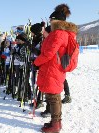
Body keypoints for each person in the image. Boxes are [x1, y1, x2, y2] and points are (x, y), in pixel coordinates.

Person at [33, 4, 78, 133]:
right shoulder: (60, 33)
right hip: (54, 68)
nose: (50, 22)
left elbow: (48, 53)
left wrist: (37, 62)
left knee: (54, 97)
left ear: (56, 21)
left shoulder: (58, 33)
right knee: (53, 96)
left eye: (51, 20)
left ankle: (56, 125)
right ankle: (55, 122)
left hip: (52, 68)